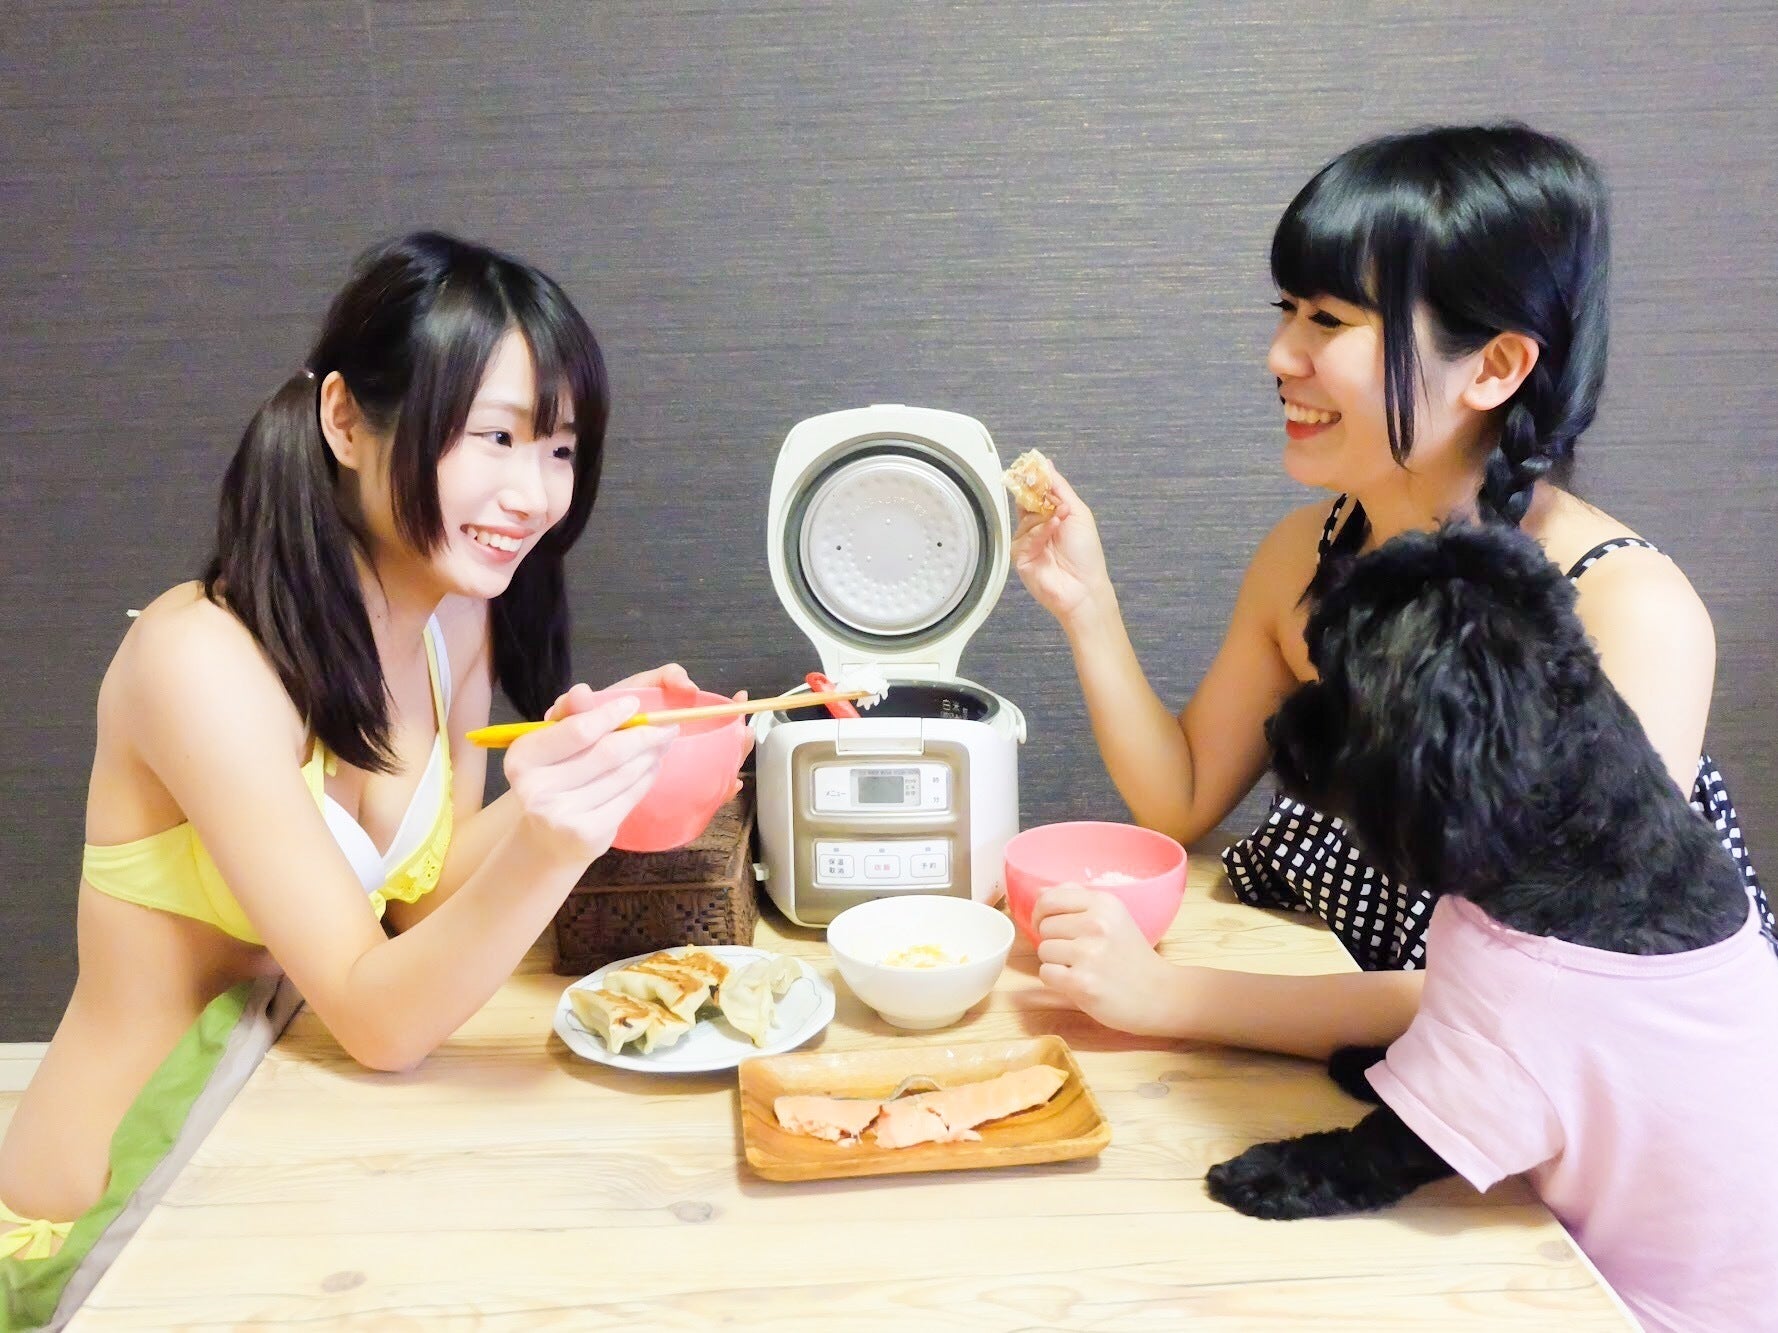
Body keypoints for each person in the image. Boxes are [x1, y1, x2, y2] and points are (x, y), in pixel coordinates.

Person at [1, 232, 708, 1327]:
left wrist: (587, 763)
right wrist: (553, 838)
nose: (532, 493)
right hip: (113, 1225)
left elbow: (420, 904)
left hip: (265, 1154)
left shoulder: (453, 617)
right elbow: (382, 1021)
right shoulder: (200, 661)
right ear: (344, 419)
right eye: (495, 436)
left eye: (560, 448)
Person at [1012, 124, 1769, 1058]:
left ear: (1495, 366)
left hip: (1571, 1104)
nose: (1280, 354)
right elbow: (1183, 796)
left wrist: (1174, 997)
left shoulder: (1629, 609)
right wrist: (1087, 604)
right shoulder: (1306, 554)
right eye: (1287, 310)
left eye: (1329, 321)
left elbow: (1551, 991)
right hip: (1371, 1072)